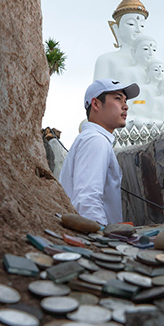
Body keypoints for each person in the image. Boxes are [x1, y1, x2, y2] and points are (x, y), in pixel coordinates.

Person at [59, 78, 140, 225]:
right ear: (96, 104)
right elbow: (87, 201)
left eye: (125, 101)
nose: (125, 106)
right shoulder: (96, 141)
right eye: (118, 99)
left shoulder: (92, 139)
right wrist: (100, 234)